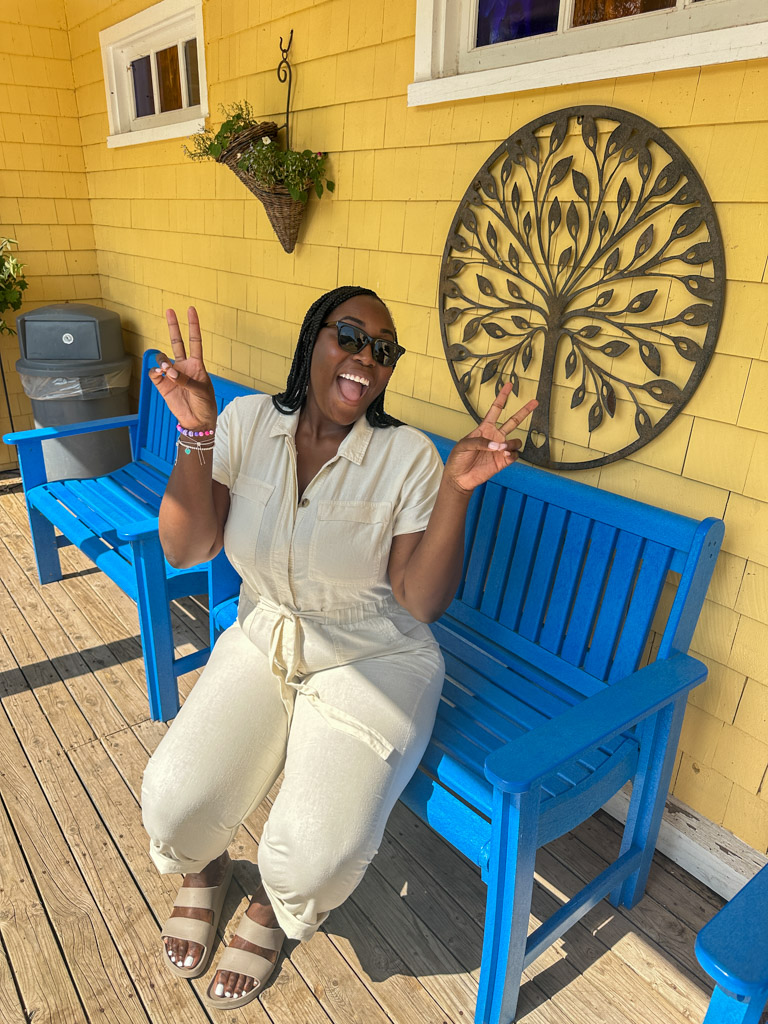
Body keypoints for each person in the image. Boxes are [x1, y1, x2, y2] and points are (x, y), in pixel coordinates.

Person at [140, 285, 536, 1010]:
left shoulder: (408, 456)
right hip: (265, 633)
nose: (365, 358)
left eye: (383, 351)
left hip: (374, 658)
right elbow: (187, 542)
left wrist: (456, 489)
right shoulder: (245, 421)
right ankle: (205, 867)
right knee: (170, 803)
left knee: (313, 854)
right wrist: (196, 435)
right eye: (350, 336)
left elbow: (419, 602)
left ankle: (275, 911)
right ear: (312, 337)